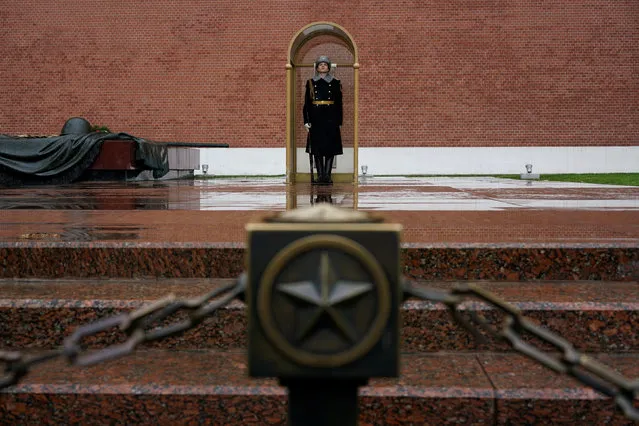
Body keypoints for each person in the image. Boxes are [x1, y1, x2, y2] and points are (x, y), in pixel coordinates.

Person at [303, 55, 343, 184]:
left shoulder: (336, 82)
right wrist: (306, 120)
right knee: (317, 148)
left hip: (330, 117)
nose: (323, 66)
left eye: (325, 64)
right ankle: (320, 176)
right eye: (320, 64)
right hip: (316, 118)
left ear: (329, 67)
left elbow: (339, 103)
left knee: (330, 148)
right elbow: (307, 103)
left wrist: (339, 121)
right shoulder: (310, 82)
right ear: (317, 67)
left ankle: (327, 176)